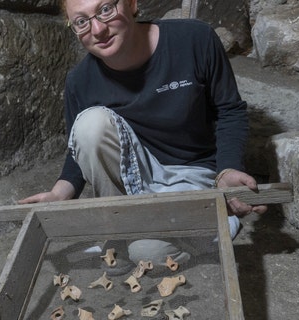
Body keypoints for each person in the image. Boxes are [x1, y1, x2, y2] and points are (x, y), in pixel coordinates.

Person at [19, 0, 267, 237]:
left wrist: (228, 169)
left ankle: (179, 222)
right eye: (81, 21)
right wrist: (58, 194)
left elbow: (229, 110)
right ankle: (119, 222)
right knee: (89, 125)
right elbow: (79, 151)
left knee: (150, 253)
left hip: (192, 173)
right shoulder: (79, 81)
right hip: (132, 177)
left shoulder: (194, 39)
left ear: (132, 3)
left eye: (105, 9)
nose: (98, 30)